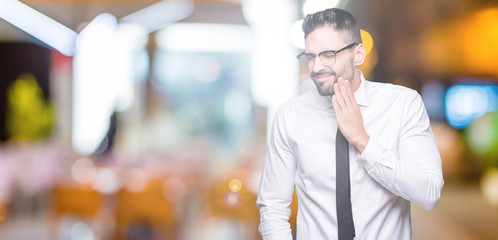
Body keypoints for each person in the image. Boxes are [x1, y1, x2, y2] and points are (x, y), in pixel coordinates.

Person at [256, 8, 444, 240]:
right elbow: (272, 207)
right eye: (310, 56)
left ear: (358, 55)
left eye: (328, 54)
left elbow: (429, 193)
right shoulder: (290, 115)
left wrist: (362, 141)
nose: (315, 67)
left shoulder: (403, 104)